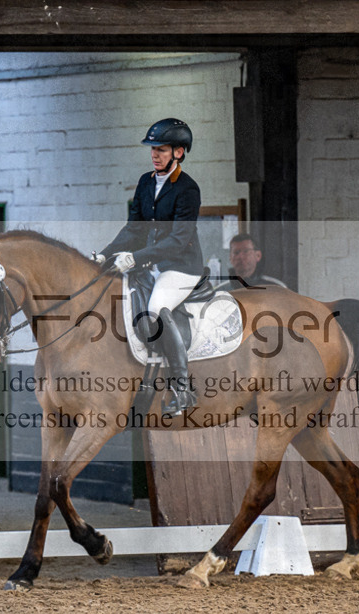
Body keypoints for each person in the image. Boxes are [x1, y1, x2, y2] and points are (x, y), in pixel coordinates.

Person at [95, 118, 203, 416]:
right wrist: (104, 256)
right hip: (152, 263)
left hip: (181, 267)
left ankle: (182, 389)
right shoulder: (145, 182)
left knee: (154, 309)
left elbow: (178, 241)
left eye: (162, 149)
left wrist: (137, 257)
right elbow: (133, 230)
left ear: (179, 152)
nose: (154, 154)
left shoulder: (188, 189)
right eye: (153, 149)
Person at [217, 233, 287, 291]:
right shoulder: (221, 291)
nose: (241, 256)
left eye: (246, 251)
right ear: (230, 258)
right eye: (236, 252)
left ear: (258, 255)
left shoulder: (276, 288)